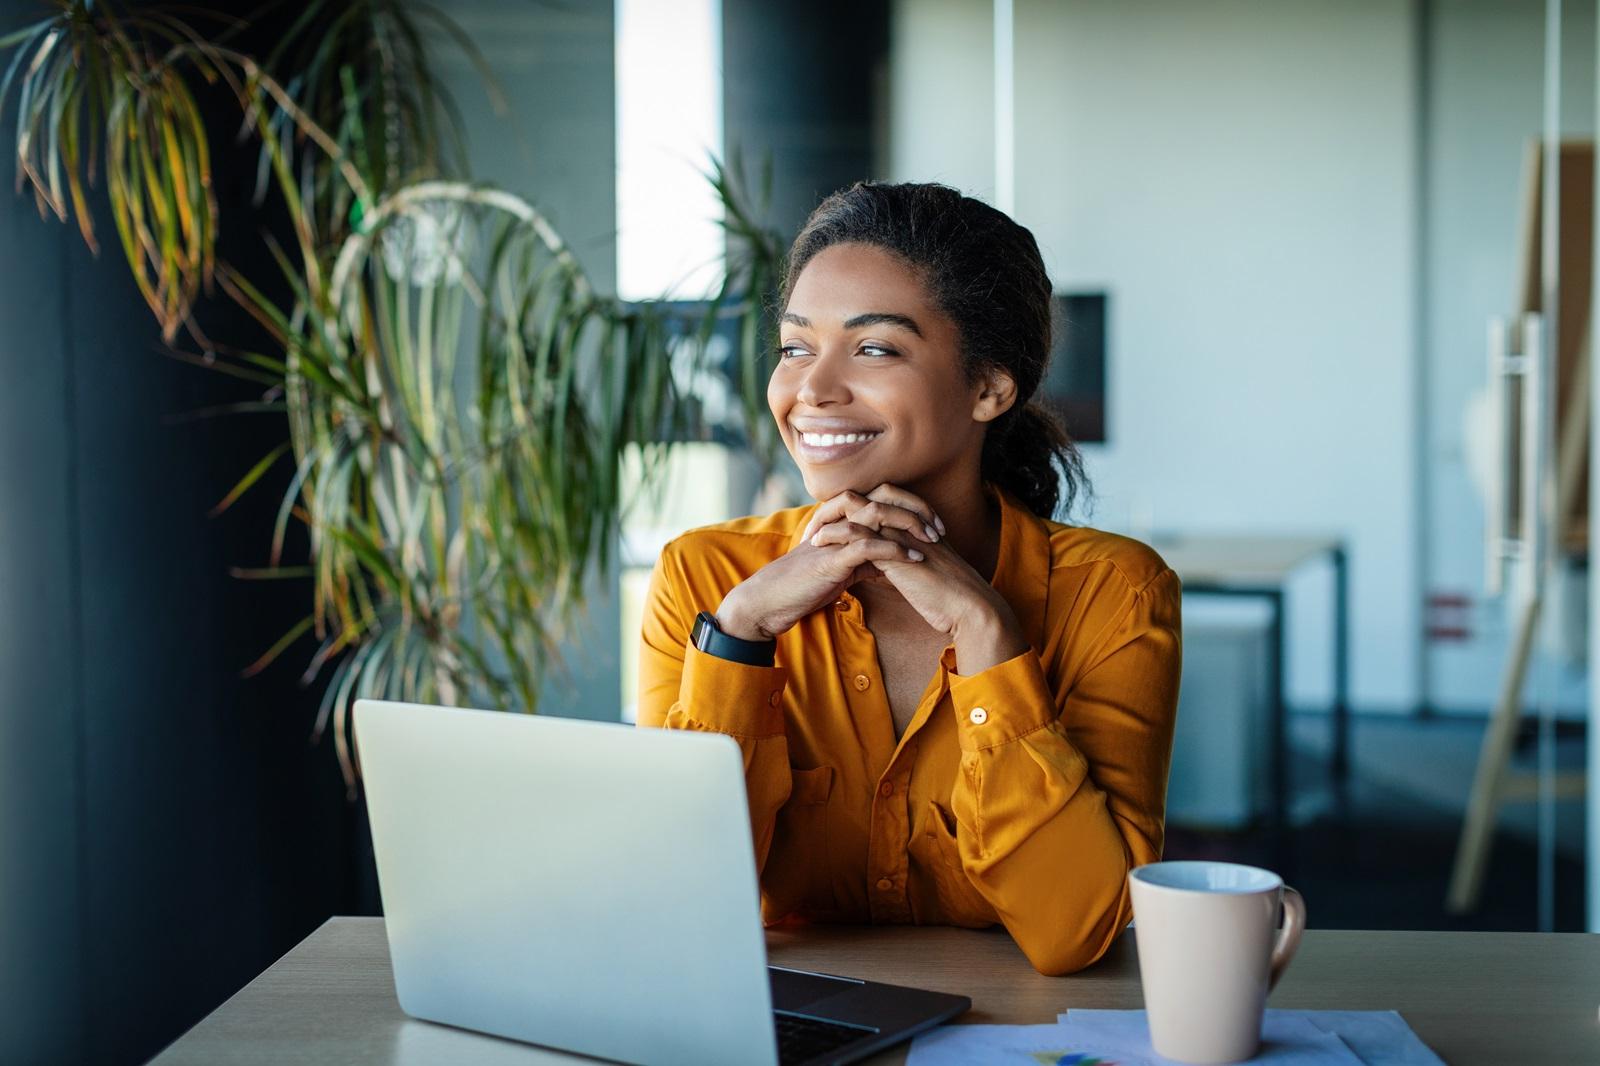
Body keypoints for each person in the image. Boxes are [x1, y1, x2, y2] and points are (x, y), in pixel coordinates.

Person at [637, 181, 1181, 976]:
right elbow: (669, 902)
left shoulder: (1116, 594)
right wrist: (740, 639)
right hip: (785, 1031)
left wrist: (990, 641)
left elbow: (1078, 931)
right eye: (795, 348)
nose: (811, 391)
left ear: (991, 388)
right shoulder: (709, 580)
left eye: (875, 348)